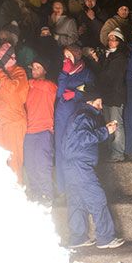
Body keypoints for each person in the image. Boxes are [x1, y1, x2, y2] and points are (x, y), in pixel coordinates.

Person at [61, 84, 124, 249]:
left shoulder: (80, 114)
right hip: (80, 165)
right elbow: (82, 138)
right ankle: (105, 238)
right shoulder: (85, 116)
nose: (101, 107)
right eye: (98, 103)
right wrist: (106, 131)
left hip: (71, 164)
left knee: (77, 201)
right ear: (90, 102)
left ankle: (78, 238)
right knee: (97, 198)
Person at [54, 45, 95, 193]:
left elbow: (91, 92)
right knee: (60, 149)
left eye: (69, 56)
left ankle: (77, 186)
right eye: (65, 57)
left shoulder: (86, 73)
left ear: (77, 57)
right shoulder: (64, 73)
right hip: (62, 114)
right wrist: (64, 72)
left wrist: (75, 95)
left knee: (75, 148)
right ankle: (62, 188)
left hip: (77, 114)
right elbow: (59, 93)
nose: (67, 59)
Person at [0, 43, 28, 183]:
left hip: (13, 123)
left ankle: (17, 192)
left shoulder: (19, 72)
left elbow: (13, 90)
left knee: (13, 160)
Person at [23, 58, 57, 206]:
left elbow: (50, 87)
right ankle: (36, 195)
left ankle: (47, 196)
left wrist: (25, 81)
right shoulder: (28, 87)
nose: (34, 70)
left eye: (38, 67)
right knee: (30, 166)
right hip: (28, 131)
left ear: (45, 70)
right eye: (33, 68)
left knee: (43, 165)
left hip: (44, 131)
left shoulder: (50, 86)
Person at [93, 28, 128, 162]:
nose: (111, 42)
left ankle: (118, 153)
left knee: (116, 123)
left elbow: (109, 75)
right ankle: (110, 151)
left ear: (120, 42)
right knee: (108, 124)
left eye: (114, 40)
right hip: (107, 95)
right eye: (110, 39)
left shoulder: (120, 57)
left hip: (115, 95)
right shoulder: (107, 56)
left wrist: (98, 70)